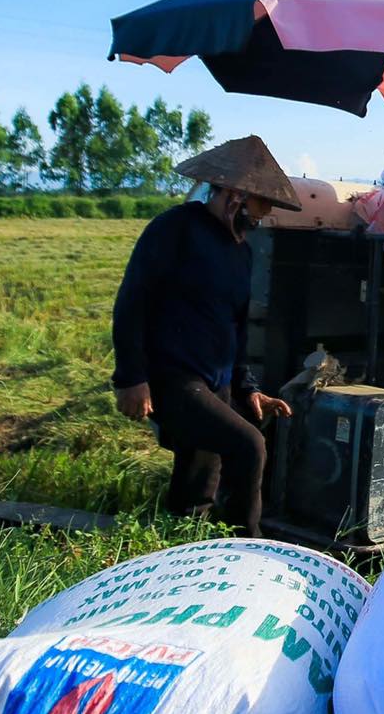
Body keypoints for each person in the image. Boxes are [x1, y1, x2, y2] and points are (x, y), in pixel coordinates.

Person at [111, 136, 300, 535]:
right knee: (249, 446)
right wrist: (130, 378)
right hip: (171, 377)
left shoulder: (242, 252)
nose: (260, 219)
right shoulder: (175, 229)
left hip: (215, 381)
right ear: (234, 196)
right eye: (258, 208)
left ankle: (183, 549)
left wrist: (247, 387)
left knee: (199, 480)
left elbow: (237, 325)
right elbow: (132, 302)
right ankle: (248, 548)